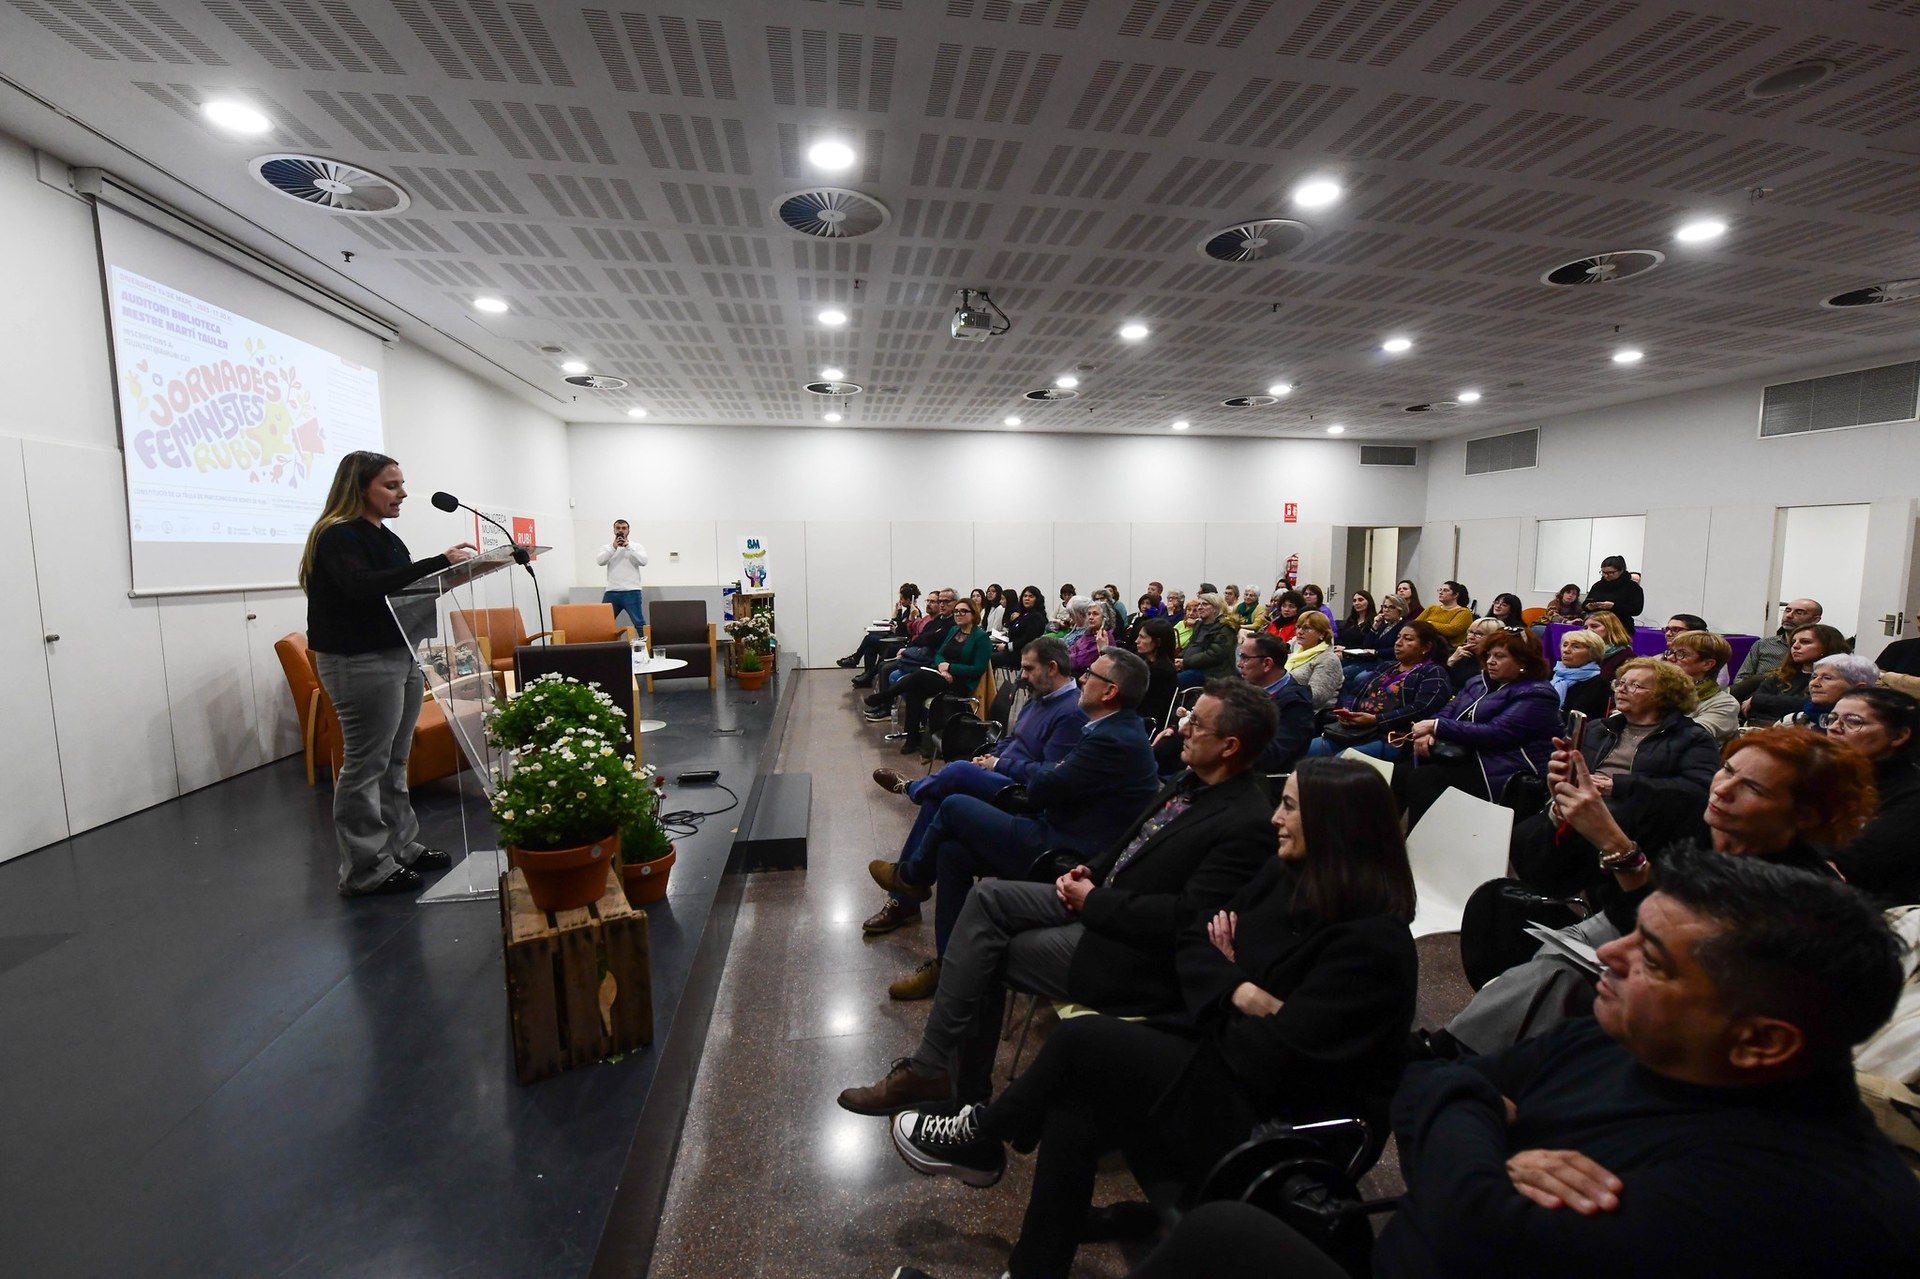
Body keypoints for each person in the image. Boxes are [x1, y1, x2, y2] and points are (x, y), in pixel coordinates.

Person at [1136, 851, 1920, 1279]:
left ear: (1761, 1041)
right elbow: (1427, 1077)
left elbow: (1475, 1226)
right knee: (1219, 1226)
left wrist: (1477, 1128)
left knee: (1220, 1233)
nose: (1603, 955)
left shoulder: (1795, 1199)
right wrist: (1482, 1131)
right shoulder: (1624, 1040)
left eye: (1649, 957)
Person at [885, 760, 1418, 1279]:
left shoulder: (1372, 947)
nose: (1275, 817)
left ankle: (985, 1134)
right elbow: (1197, 943)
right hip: (1220, 1058)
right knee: (1077, 1105)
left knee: (1082, 1041)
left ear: (1334, 826)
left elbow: (1272, 1059)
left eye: (1290, 806)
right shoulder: (1287, 876)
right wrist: (1241, 989)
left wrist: (1227, 980)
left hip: (1278, 1126)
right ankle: (1030, 1263)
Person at [837, 678, 1278, 1116]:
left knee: (980, 947)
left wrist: (1094, 898)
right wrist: (1094, 871)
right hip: (1097, 890)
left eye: (1197, 724)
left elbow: (1187, 918)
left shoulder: (1244, 821)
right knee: (984, 896)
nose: (1183, 728)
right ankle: (942, 1070)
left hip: (1129, 949)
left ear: (1230, 746)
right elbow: (1130, 843)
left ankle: (950, 1084)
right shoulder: (1189, 780)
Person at [1433, 726, 1867, 1056]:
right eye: (1727, 770)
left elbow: (1690, 958)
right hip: (1618, 934)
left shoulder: (1805, 889)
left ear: (1806, 815)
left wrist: (1615, 844)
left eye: (1751, 788)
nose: (1722, 790)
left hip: (1694, 998)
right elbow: (1548, 875)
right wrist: (1559, 810)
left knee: (1554, 975)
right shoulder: (1685, 816)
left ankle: (1456, 1058)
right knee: (1543, 956)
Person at [866, 648, 1162, 998]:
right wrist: (1038, 769)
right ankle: (950, 965)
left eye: (1091, 675)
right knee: (950, 852)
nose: (1082, 678)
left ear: (1110, 691)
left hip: (1064, 852)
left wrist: (1020, 768)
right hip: (1054, 823)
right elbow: (1055, 774)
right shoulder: (1108, 728)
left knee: (954, 803)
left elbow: (1046, 787)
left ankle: (910, 878)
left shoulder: (1112, 738)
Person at [300, 451, 475, 897]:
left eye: (401, 484)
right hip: (359, 660)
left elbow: (403, 587)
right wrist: (439, 561)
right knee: (366, 762)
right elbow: (363, 586)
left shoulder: (386, 537)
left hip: (400, 654)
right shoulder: (338, 537)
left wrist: (451, 573)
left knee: (395, 760)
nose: (402, 494)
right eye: (391, 486)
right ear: (360, 488)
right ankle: (364, 868)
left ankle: (401, 846)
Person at [861, 636, 1086, 938]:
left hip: (1020, 794)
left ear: (1053, 668)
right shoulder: (1040, 697)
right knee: (938, 800)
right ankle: (906, 894)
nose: (1022, 676)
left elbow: (1049, 775)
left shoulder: (1072, 711)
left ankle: (912, 792)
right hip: (1003, 773)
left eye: (1028, 669)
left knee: (956, 773)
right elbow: (1014, 739)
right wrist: (994, 755)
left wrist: (998, 765)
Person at [1510, 657, 1722, 899]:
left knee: (1558, 846)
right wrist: (1562, 773)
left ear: (1665, 695)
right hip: (1585, 806)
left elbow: (1696, 791)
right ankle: (1541, 899)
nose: (1621, 689)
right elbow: (1578, 773)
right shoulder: (1600, 728)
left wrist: (1618, 785)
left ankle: (1558, 902)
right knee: (1523, 834)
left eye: (1635, 685)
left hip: (1638, 819)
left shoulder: (1691, 737)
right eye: (1620, 682)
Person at [1397, 629, 1559, 826]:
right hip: (1470, 753)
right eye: (1489, 655)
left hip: (1504, 767)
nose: (1491, 661)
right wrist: (1427, 732)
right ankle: (1390, 840)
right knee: (1403, 770)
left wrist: (1436, 726)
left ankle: (1421, 842)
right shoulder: (1478, 682)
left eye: (1500, 656)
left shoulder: (1538, 694)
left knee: (1424, 778)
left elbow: (1497, 733)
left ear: (1523, 661)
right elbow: (1448, 710)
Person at [1826, 686, 1920, 905]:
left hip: (1866, 910)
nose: (1833, 728)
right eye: (1832, 718)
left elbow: (1856, 862)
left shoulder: (1912, 794)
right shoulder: (1820, 773)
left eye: (1853, 721)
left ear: (1899, 736)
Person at [1309, 618, 1451, 762]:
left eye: (1408, 639)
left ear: (1426, 647)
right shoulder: (1387, 667)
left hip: (1391, 737)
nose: (1398, 642)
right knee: (1304, 750)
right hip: (1355, 730)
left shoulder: (1433, 672)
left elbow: (1421, 708)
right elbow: (1355, 693)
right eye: (1398, 637)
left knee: (1343, 761)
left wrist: (1377, 720)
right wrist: (1347, 712)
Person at [864, 597, 992, 754]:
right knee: (914, 691)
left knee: (918, 676)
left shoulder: (981, 637)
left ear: (973, 614)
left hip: (961, 683)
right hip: (942, 675)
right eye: (957, 611)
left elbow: (978, 669)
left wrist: (951, 668)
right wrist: (943, 668)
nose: (958, 614)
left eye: (963, 611)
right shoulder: (954, 631)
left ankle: (886, 696)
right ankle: (912, 741)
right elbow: (939, 654)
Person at [1741, 622, 1850, 726]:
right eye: (1793, 642)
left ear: (1827, 646)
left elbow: (1811, 705)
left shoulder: (1839, 678)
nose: (1795, 646)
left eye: (1805, 642)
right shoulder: (1783, 674)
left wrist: (1758, 700)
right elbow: (1756, 701)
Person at [863, 588, 955, 694]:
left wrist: (914, 619)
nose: (941, 604)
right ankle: (867, 678)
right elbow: (918, 636)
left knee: (886, 663)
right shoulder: (932, 620)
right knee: (877, 652)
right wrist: (899, 615)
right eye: (928, 601)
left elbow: (926, 638)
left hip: (926, 657)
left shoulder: (947, 622)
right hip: (917, 649)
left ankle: (881, 699)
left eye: (935, 602)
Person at [1730, 597, 1823, 698]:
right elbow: (1742, 678)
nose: (1789, 616)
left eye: (1799, 612)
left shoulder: (1819, 648)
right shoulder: (1763, 644)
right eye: (1787, 610)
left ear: (1815, 619)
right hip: (1752, 696)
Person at [1664, 628, 1739, 741]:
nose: (1670, 658)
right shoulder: (1657, 688)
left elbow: (1688, 737)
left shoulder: (1725, 704)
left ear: (1707, 664)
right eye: (1671, 652)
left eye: (1681, 654)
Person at [1782, 652, 1881, 730]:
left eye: (1827, 678)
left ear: (1859, 689)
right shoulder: (1792, 721)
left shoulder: (1869, 727)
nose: (1814, 683)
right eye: (1814, 677)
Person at [837, 581, 920, 673]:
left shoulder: (914, 612)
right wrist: (896, 613)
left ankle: (855, 659)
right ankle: (867, 674)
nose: (900, 601)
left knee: (868, 639)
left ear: (909, 600)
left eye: (902, 598)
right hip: (896, 639)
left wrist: (899, 613)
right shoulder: (906, 611)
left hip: (901, 643)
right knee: (870, 647)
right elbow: (897, 625)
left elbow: (902, 631)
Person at [1338, 592, 1406, 698]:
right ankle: (1345, 702)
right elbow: (1367, 645)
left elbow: (1399, 649)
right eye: (1384, 607)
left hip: (1389, 663)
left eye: (1391, 607)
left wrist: (1377, 652)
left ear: (1400, 610)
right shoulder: (1383, 625)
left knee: (1359, 677)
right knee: (1342, 671)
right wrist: (1374, 627)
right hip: (1373, 660)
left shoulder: (1404, 626)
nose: (1386, 610)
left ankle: (1354, 702)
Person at [1173, 592, 1236, 689]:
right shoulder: (1199, 625)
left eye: (1205, 604)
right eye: (1199, 604)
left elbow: (1214, 655)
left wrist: (1185, 662)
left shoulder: (1225, 628)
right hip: (1191, 666)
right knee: (1161, 675)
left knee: (1171, 682)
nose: (1199, 607)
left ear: (1215, 608)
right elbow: (1191, 645)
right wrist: (1179, 659)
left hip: (1212, 673)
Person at [595, 518, 648, 631]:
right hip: (612, 591)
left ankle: (645, 648)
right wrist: (614, 547)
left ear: (628, 530)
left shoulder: (636, 547)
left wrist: (628, 547)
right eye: (618, 528)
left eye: (624, 528)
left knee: (639, 623)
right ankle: (602, 648)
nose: (621, 530)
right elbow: (600, 562)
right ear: (614, 530)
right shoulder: (607, 547)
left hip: (632, 591)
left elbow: (643, 561)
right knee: (603, 623)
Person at [1285, 609, 1343, 710]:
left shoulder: (1328, 659)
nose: (1300, 632)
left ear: (1322, 634)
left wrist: (1280, 692)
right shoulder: (1295, 655)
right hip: (1287, 705)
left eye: (1307, 628)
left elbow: (1316, 698)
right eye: (1298, 627)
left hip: (1309, 714)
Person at [1550, 627, 1610, 716]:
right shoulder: (1553, 674)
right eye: (1565, 645)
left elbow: (1577, 717)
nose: (1566, 650)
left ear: (1593, 654)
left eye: (1576, 647)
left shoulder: (1598, 683)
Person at [1132, 617, 1179, 731]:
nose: (1137, 640)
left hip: (1145, 724)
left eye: (1142, 637)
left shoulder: (1161, 671)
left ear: (1157, 642)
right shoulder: (1145, 661)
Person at [1583, 553, 1644, 629]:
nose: (1606, 576)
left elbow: (1636, 610)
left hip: (1621, 627)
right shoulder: (1598, 585)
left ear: (1621, 571)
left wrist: (1614, 606)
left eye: (1610, 573)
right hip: (1597, 625)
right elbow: (1585, 603)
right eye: (1603, 572)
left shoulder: (1633, 587)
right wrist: (1589, 606)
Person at [1447, 615, 1505, 692]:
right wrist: (1451, 660)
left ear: (1493, 638)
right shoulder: (1460, 654)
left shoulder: (1494, 662)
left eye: (1479, 634)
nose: (1471, 637)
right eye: (1470, 632)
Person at [1416, 579, 1474, 646]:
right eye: (1440, 590)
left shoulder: (1464, 612)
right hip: (1425, 645)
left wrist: (1429, 623)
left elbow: (1451, 630)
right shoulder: (1432, 608)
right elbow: (1415, 625)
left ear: (1455, 595)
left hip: (1449, 649)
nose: (1441, 592)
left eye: (1445, 590)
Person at [1583, 609, 1636, 679]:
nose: (1588, 631)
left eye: (1594, 626)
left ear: (1611, 628)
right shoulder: (1585, 652)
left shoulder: (1626, 657)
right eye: (1585, 628)